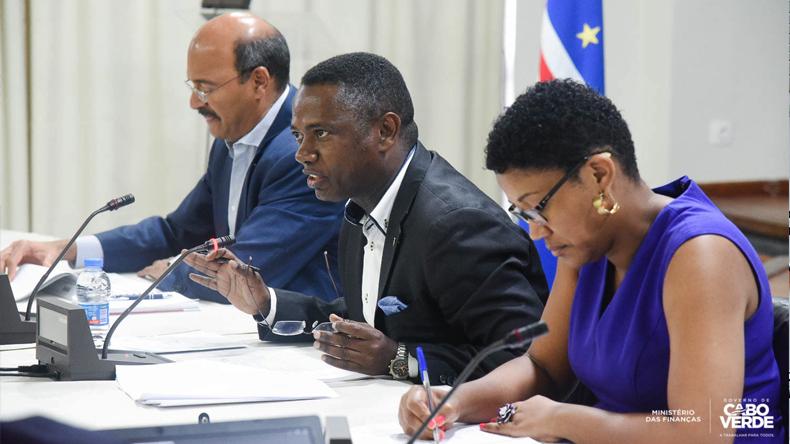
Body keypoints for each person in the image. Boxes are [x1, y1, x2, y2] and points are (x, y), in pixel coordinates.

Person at [398, 79, 784, 443]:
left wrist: (561, 419)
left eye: (539, 208)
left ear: (599, 174)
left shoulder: (701, 255)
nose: (537, 232)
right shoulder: (586, 246)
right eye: (524, 214)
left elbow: (702, 432)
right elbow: (543, 368)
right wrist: (454, 401)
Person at [184, 52, 548, 385]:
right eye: (298, 135)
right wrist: (267, 303)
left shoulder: (459, 224)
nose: (302, 154)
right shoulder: (361, 206)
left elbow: (527, 359)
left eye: (320, 133)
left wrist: (400, 359)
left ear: (385, 131)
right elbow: (372, 315)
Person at [0, 13, 344, 303]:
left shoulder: (303, 154)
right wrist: (70, 250)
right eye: (193, 87)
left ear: (258, 81)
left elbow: (248, 271)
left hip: (307, 343)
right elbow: (177, 231)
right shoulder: (233, 136)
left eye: (205, 88)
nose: (195, 103)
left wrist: (168, 273)